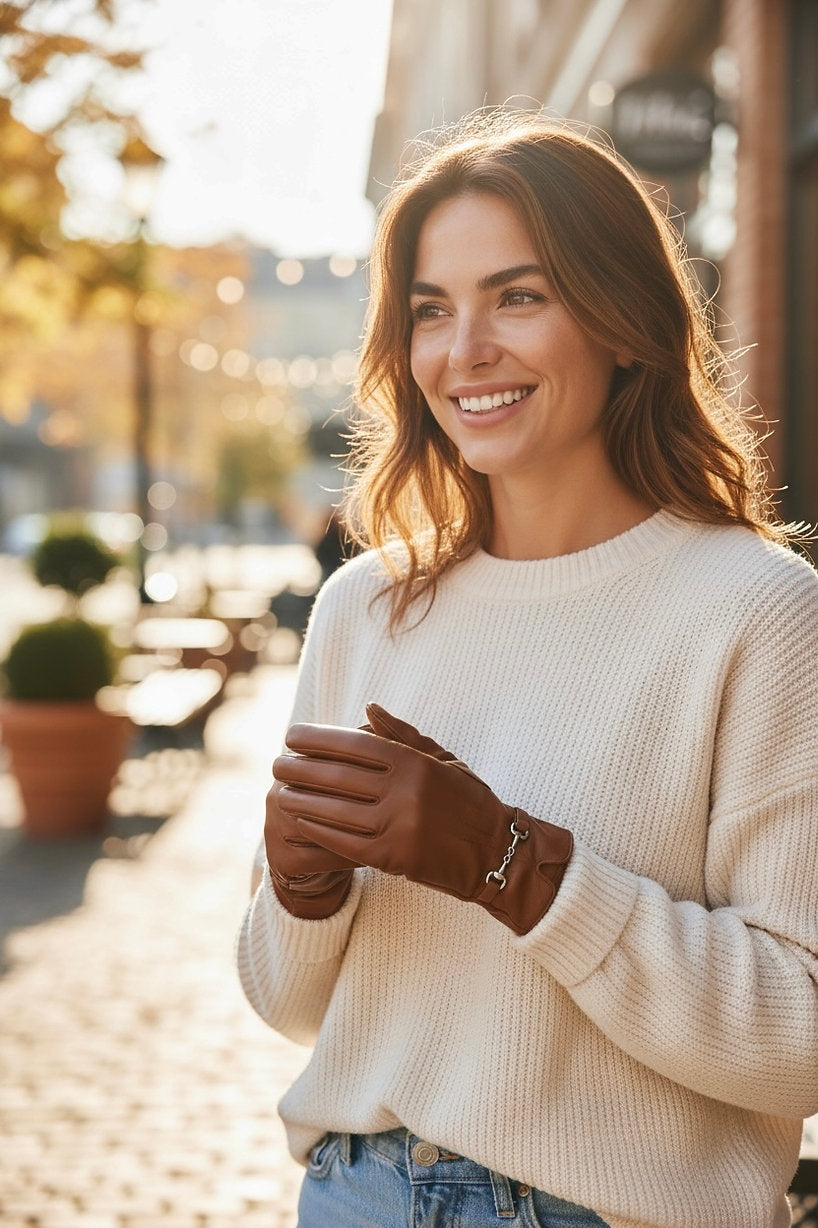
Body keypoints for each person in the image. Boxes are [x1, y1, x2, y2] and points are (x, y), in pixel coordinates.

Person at [236, 108, 818, 1228]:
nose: (465, 352)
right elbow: (287, 1001)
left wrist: (512, 866)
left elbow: (798, 1038)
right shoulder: (365, 605)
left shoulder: (758, 615)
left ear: (623, 321)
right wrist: (300, 887)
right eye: (429, 312)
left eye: (518, 295)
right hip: (354, 1195)